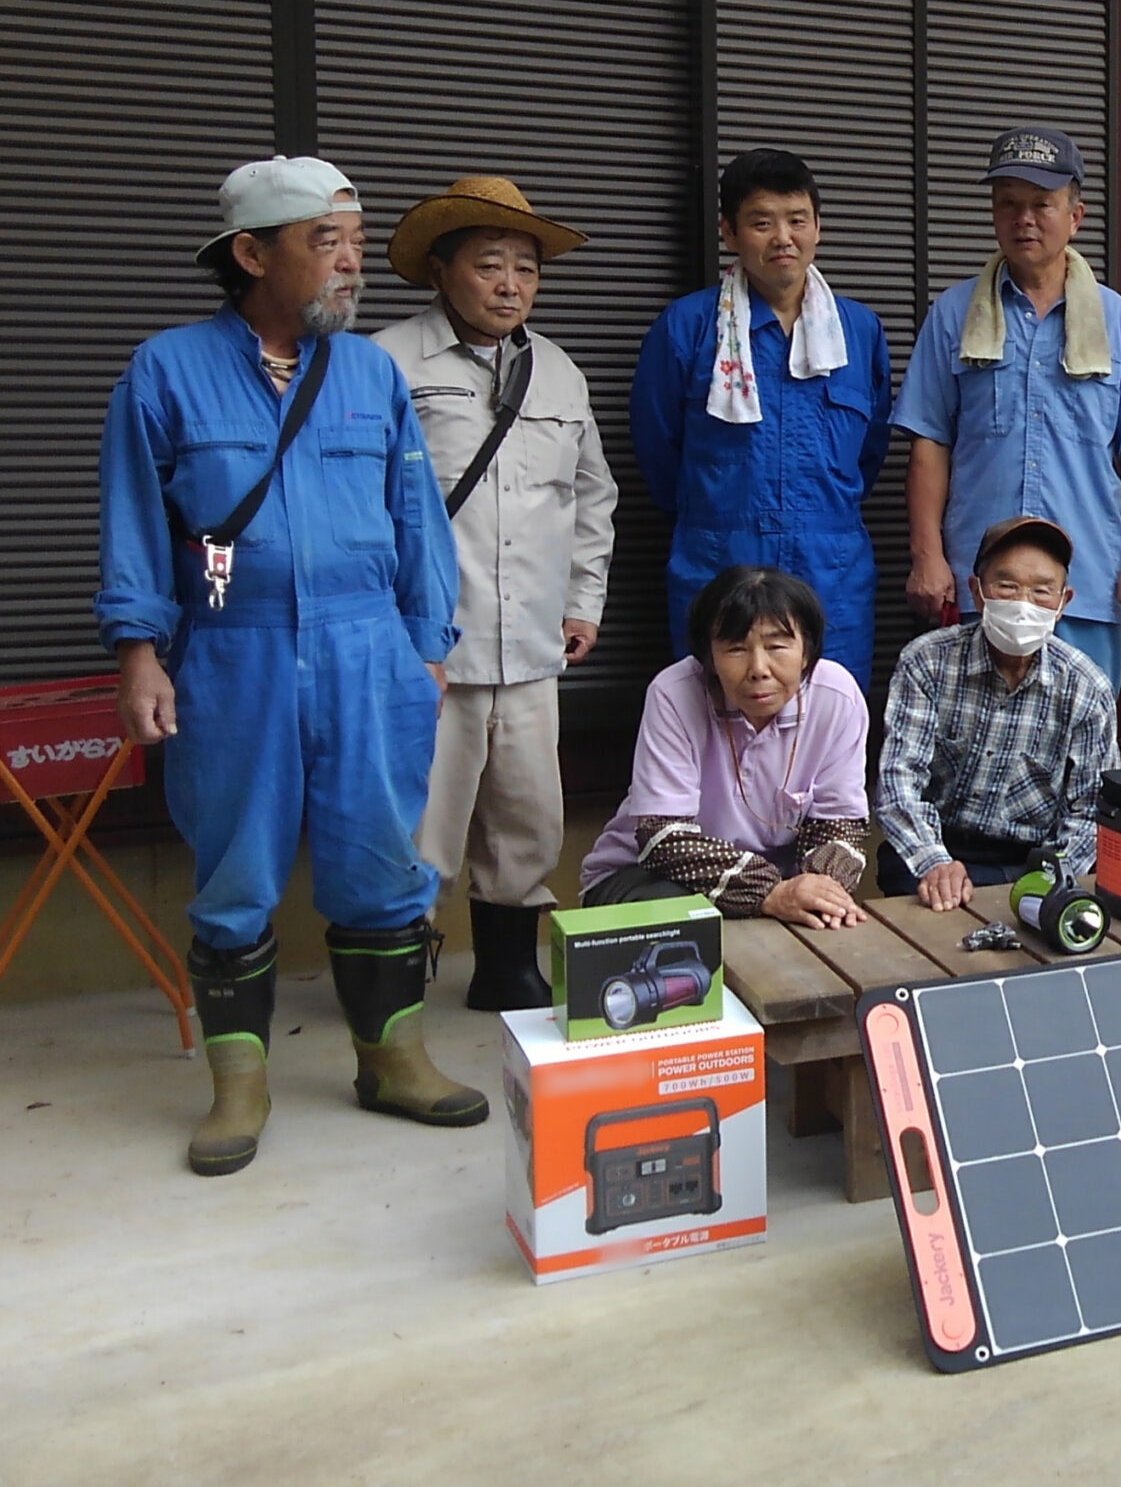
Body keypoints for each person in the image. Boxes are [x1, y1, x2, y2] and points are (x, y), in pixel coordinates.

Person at [97, 155, 484, 1177]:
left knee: (381, 864)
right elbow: (136, 522)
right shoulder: (165, 370)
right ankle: (239, 1086)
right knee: (235, 872)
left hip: (370, 653)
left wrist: (425, 646)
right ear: (251, 253)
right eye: (329, 242)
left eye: (356, 240)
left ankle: (391, 1058)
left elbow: (417, 523)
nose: (353, 263)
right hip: (233, 653)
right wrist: (141, 653)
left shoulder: (367, 375)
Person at [374, 176, 617, 1011]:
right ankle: (394, 972)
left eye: (526, 268)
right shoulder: (386, 363)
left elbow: (591, 497)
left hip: (531, 645)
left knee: (527, 812)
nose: (511, 284)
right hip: (428, 645)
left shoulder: (559, 373)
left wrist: (584, 600)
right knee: (424, 819)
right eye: (489, 265)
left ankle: (509, 964)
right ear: (440, 271)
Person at [891, 126, 1121, 687]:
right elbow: (929, 446)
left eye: (1042, 204)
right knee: (970, 744)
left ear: (1075, 215)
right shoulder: (953, 313)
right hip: (979, 582)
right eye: (1009, 205)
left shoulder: (1118, 322)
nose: (1024, 219)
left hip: (1084, 583)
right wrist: (927, 556)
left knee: (1083, 746)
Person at [631, 148, 894, 685]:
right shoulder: (688, 328)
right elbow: (658, 451)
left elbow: (869, 453)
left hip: (830, 571)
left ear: (818, 227)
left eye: (797, 220)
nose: (783, 238)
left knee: (827, 728)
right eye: (761, 222)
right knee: (715, 726)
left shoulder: (858, 331)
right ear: (729, 232)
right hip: (719, 561)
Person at [580, 567, 870, 926]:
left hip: (780, 886)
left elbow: (840, 826)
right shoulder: (674, 693)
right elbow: (663, 836)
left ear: (807, 650)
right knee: (691, 922)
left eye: (778, 646)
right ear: (709, 658)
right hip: (647, 877)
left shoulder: (838, 696)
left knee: (827, 922)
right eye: (735, 649)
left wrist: (820, 890)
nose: (759, 669)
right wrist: (770, 893)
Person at [874, 517, 1119, 911]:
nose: (1023, 603)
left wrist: (1050, 877)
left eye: (1042, 591)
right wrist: (934, 862)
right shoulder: (927, 661)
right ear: (977, 591)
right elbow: (898, 779)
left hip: (1029, 860)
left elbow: (1092, 809)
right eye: (1007, 586)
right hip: (937, 847)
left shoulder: (1086, 686)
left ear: (1062, 604)